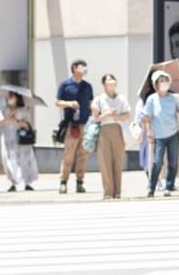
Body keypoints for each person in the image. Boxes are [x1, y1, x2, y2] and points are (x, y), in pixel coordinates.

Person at [55, 59, 94, 194]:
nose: (84, 69)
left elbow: (91, 103)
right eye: (82, 66)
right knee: (68, 156)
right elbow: (57, 102)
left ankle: (80, 182)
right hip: (72, 125)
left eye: (85, 66)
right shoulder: (65, 85)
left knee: (83, 155)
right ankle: (63, 182)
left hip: (85, 124)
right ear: (74, 68)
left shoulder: (88, 86)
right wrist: (69, 104)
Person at [145, 70, 179, 197]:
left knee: (173, 162)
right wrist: (149, 131)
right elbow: (147, 117)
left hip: (173, 134)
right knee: (157, 162)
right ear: (155, 84)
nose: (164, 83)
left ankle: (169, 186)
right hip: (159, 136)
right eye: (161, 81)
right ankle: (151, 187)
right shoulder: (151, 99)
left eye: (166, 80)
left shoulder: (174, 97)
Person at [92, 74, 131, 199]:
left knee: (118, 161)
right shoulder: (99, 99)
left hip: (117, 128)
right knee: (105, 161)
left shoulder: (121, 98)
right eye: (109, 80)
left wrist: (116, 117)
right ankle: (108, 192)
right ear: (104, 84)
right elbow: (96, 118)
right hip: (103, 130)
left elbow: (127, 115)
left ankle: (117, 191)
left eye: (113, 80)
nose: (112, 82)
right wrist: (107, 114)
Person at [0, 92, 38, 193]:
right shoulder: (3, 110)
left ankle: (27, 183)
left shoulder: (23, 110)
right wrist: (8, 117)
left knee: (25, 160)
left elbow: (28, 124)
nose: (9, 99)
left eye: (12, 97)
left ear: (17, 98)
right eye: (9, 97)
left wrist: (18, 121)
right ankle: (13, 183)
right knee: (9, 160)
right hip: (8, 138)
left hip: (21, 138)